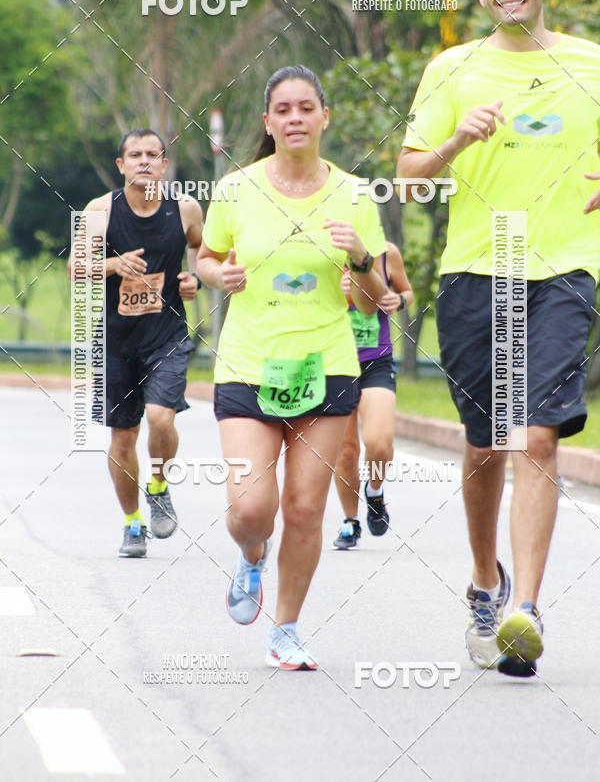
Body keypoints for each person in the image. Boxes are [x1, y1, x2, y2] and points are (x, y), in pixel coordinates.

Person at [397, 0, 600, 676]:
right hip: (475, 274)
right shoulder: (453, 68)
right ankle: (488, 580)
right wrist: (456, 140)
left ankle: (528, 610)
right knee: (485, 447)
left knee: (539, 438)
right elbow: (411, 175)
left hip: (563, 272)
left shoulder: (591, 65)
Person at [197, 65, 387, 671]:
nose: (296, 118)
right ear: (268, 122)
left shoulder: (357, 195)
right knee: (252, 507)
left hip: (327, 365)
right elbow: (206, 256)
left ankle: (287, 627)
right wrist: (215, 275)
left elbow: (373, 296)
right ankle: (251, 554)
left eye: (307, 107)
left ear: (324, 116)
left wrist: (359, 257)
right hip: (249, 364)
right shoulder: (235, 189)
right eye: (284, 109)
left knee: (306, 509)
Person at [68, 128, 204, 557]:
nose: (144, 161)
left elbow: (203, 249)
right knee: (123, 438)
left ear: (165, 165)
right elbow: (76, 268)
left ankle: (159, 485)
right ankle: (132, 524)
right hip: (114, 341)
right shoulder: (99, 211)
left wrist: (194, 278)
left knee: (162, 419)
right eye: (135, 154)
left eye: (153, 154)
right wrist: (113, 264)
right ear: (121, 165)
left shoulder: (185, 209)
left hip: (166, 336)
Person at [333, 241, 413, 549]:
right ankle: (350, 521)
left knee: (379, 443)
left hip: (376, 360)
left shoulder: (386, 253)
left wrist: (398, 300)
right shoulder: (320, 251)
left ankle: (375, 492)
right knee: (346, 451)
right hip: (334, 361)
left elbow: (407, 292)